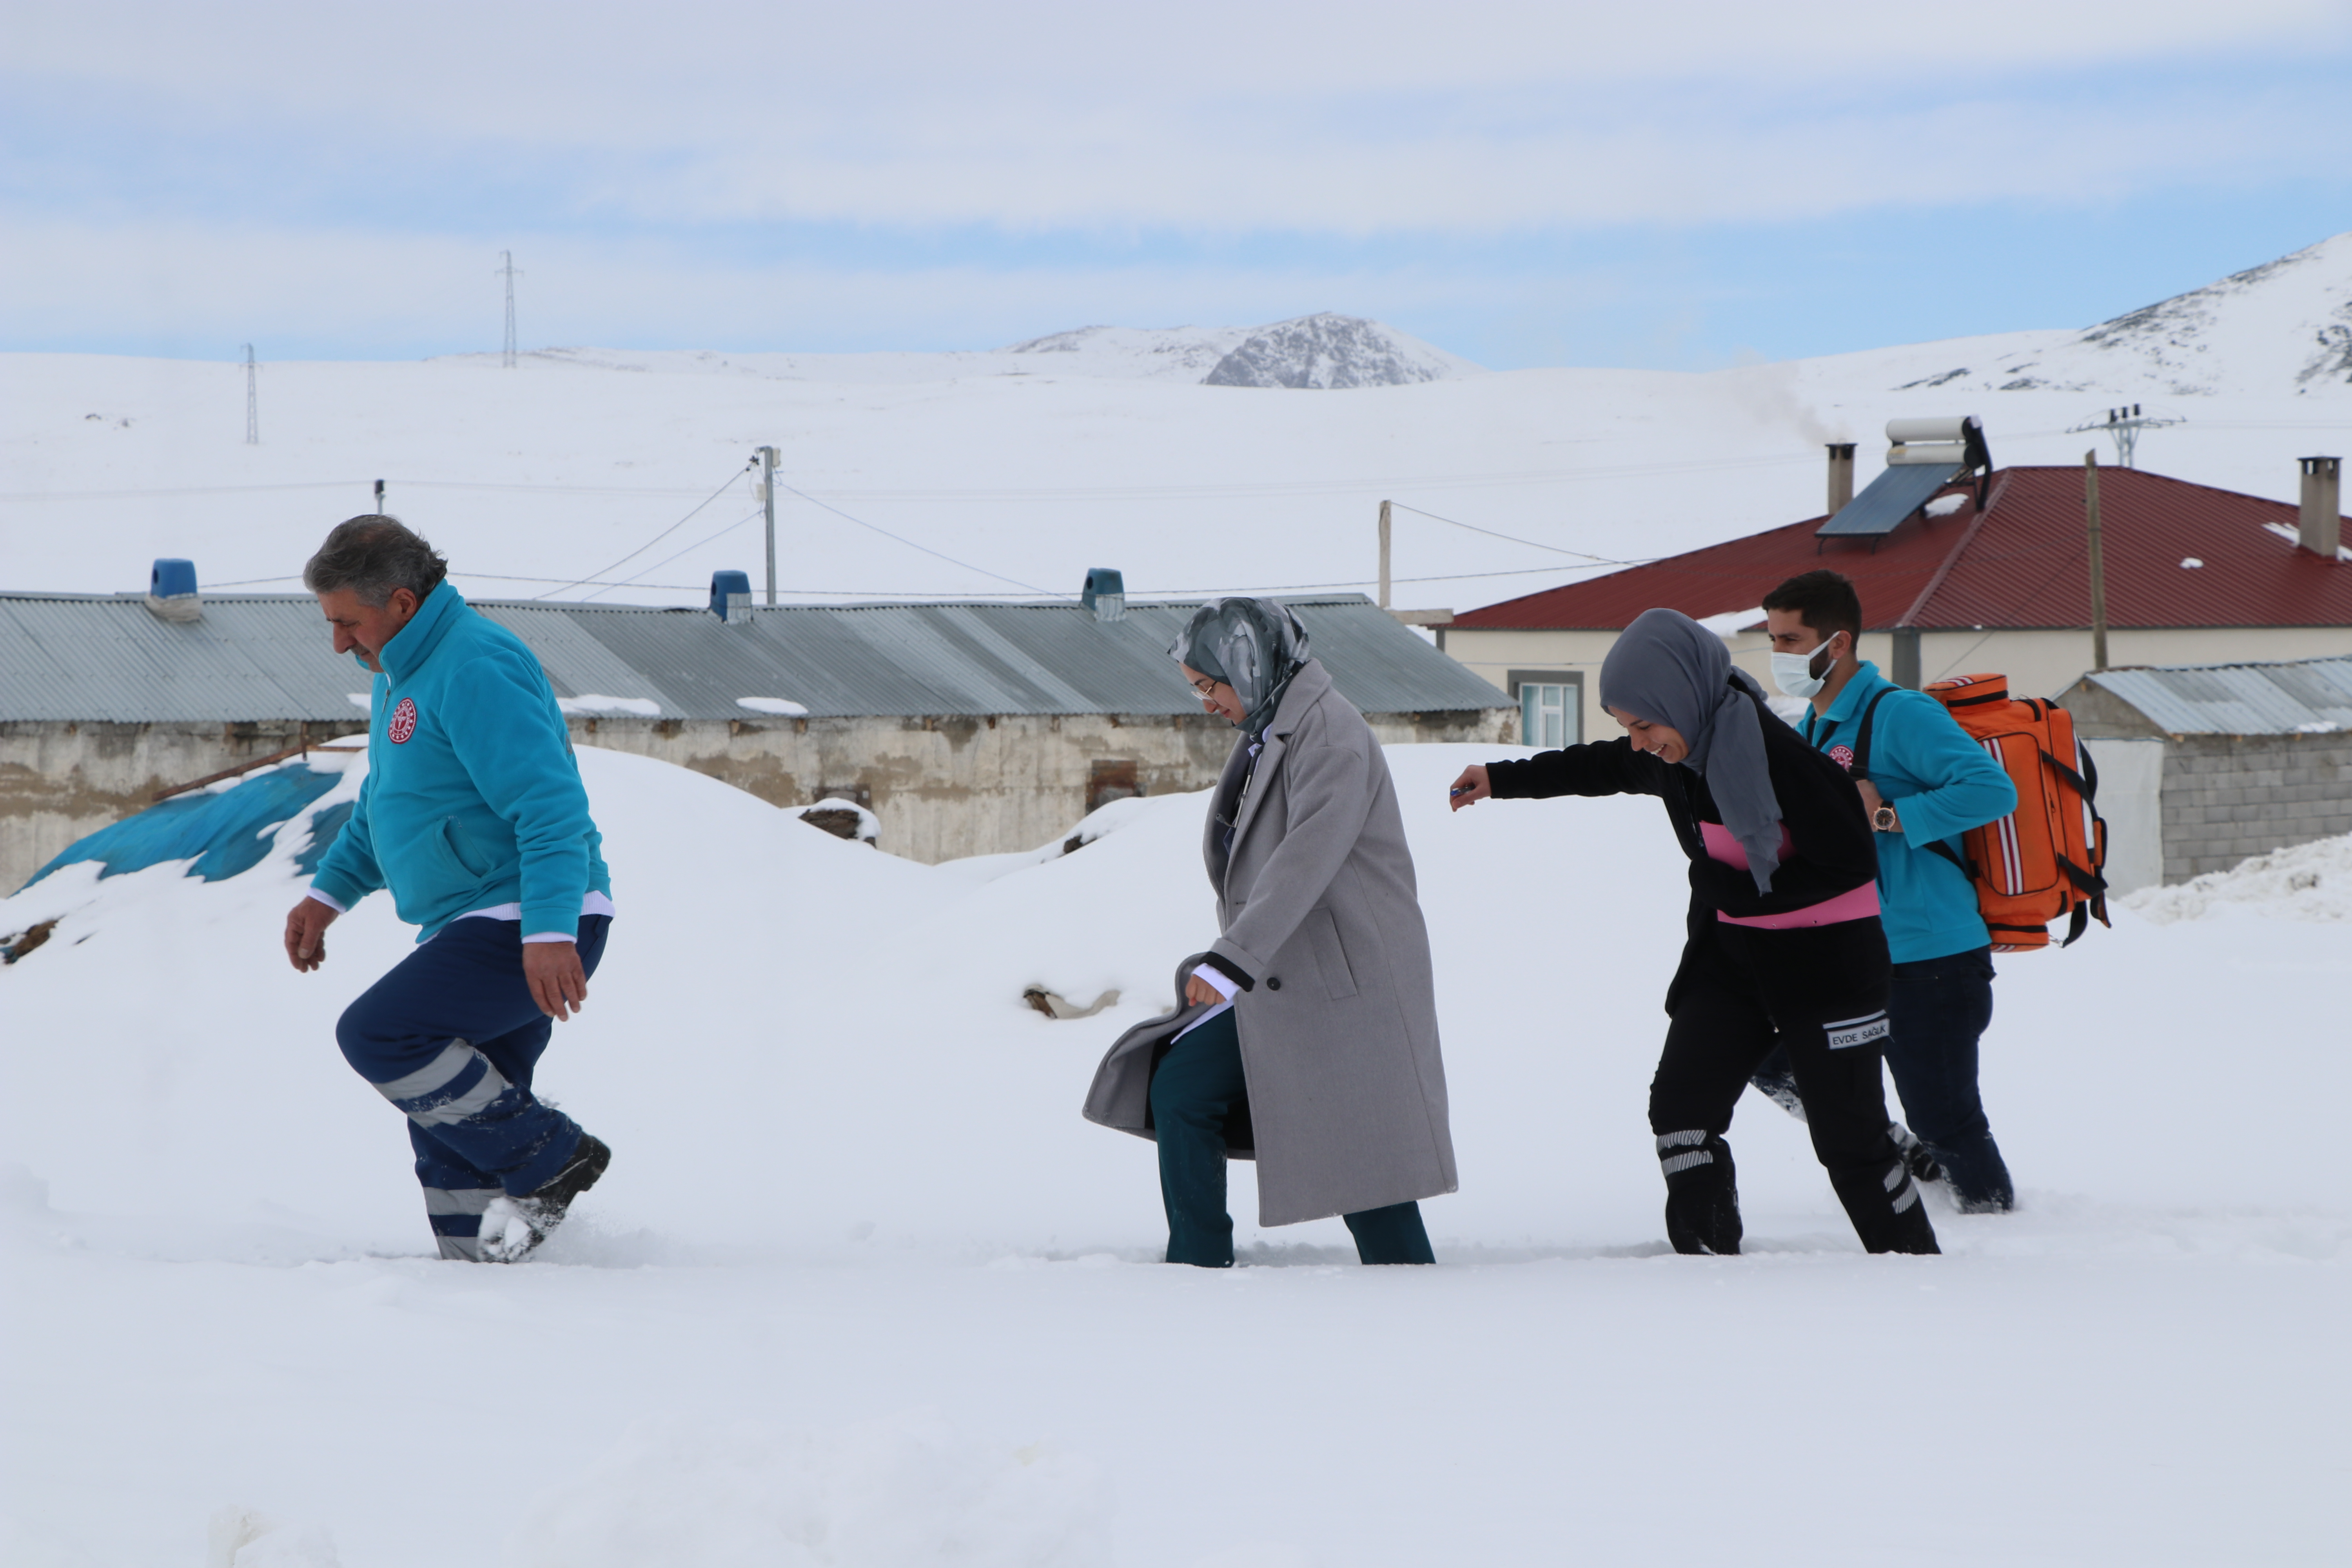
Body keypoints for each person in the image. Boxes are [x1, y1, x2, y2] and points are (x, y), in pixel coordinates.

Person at [1449, 607, 1938, 1256]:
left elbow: (1851, 864)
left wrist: (1734, 892)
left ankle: (1915, 1273)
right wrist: (1502, 779)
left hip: (1830, 973)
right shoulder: (1676, 758)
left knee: (1851, 1142)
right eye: (1628, 727)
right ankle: (1706, 1270)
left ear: (1681, 695)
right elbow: (1600, 768)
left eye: (1644, 725)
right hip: (1733, 964)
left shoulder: (1788, 763)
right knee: (1682, 1113)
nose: (1638, 742)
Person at [1083, 598, 1456, 1266]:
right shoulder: (1276, 729)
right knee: (1189, 1088)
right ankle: (1198, 1262)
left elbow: (1308, 854)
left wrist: (1233, 959)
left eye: (1208, 685)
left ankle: (1407, 1295)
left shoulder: (1330, 733)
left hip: (1341, 983)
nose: (1205, 704)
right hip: (1293, 977)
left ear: (1248, 665)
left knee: (1364, 1164)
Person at [281, 515, 615, 1262]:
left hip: (527, 915)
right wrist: (328, 894)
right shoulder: (402, 673)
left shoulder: (474, 666)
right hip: (486, 919)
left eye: (347, 622)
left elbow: (551, 806)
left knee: (384, 1034)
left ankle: (556, 1158)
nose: (338, 641)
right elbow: (390, 803)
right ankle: (477, 1267)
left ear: (400, 603)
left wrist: (551, 930)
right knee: (447, 1113)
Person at [1755, 570, 2020, 1212]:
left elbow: (1992, 791)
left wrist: (1886, 815)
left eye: (1791, 641)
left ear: (1837, 642)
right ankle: (1906, 1156)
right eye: (1772, 640)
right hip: (1854, 953)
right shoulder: (1818, 726)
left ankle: (1995, 1227)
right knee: (1770, 1064)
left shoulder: (1899, 713)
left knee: (1949, 1121)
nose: (1778, 655)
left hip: (1930, 959)